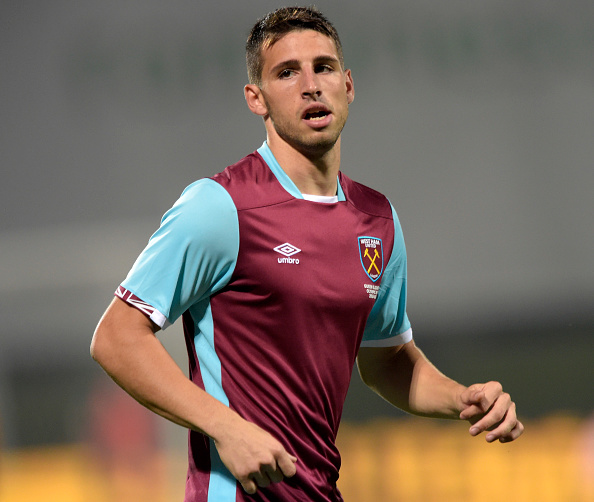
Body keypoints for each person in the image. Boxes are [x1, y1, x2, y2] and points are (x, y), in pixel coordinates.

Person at [91, 6, 524, 501]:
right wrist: (226, 427)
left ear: (349, 85)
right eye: (287, 72)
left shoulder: (376, 220)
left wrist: (461, 398)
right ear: (257, 99)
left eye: (323, 67)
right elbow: (117, 338)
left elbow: (386, 360)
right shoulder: (220, 207)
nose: (311, 85)